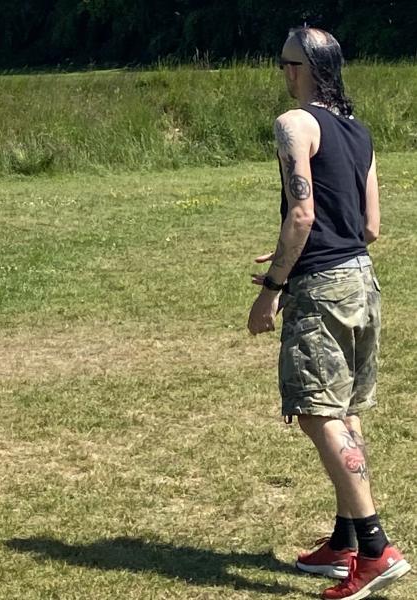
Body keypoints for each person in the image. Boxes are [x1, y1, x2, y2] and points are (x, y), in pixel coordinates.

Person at [247, 27, 409, 599]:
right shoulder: (360, 132)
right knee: (344, 410)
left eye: (285, 62)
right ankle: (343, 539)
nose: (282, 72)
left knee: (318, 414)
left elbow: (302, 215)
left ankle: (374, 548)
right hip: (363, 283)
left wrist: (271, 287)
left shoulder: (295, 124)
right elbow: (368, 228)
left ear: (305, 69)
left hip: (322, 291)